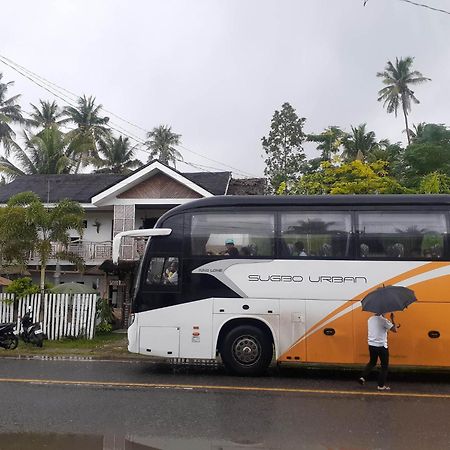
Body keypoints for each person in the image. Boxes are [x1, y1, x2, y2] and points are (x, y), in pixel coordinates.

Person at [359, 312, 399, 390]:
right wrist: (392, 319)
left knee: (372, 362)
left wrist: (386, 330)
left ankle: (362, 377)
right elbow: (395, 330)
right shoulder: (384, 320)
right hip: (381, 347)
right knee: (384, 366)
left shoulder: (370, 319)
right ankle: (381, 386)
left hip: (372, 345)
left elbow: (378, 330)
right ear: (383, 311)